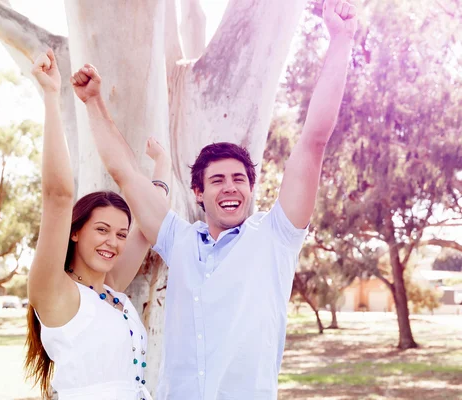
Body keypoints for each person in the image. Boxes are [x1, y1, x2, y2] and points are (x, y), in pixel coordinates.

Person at [69, 0, 357, 398]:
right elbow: (125, 173)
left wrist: (341, 40)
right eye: (217, 180)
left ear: (251, 189)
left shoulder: (276, 236)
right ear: (199, 193)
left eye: (239, 179)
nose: (230, 187)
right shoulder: (179, 240)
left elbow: (313, 142)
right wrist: (94, 103)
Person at [24, 49, 170, 400]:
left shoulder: (112, 289)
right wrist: (50, 95)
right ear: (75, 231)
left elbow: (152, 224)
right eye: (102, 230)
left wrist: (162, 166)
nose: (114, 243)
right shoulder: (55, 292)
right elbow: (58, 196)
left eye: (120, 234)